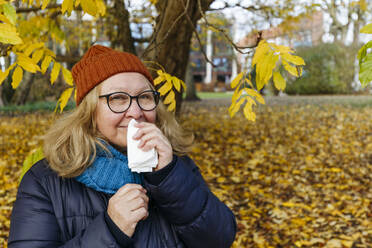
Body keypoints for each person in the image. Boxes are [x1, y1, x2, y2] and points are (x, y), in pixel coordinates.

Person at [8, 45, 236, 247]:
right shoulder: (44, 181)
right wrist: (110, 230)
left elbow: (220, 238)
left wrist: (169, 179)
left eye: (145, 97)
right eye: (117, 98)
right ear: (89, 112)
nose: (136, 112)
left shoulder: (175, 164)